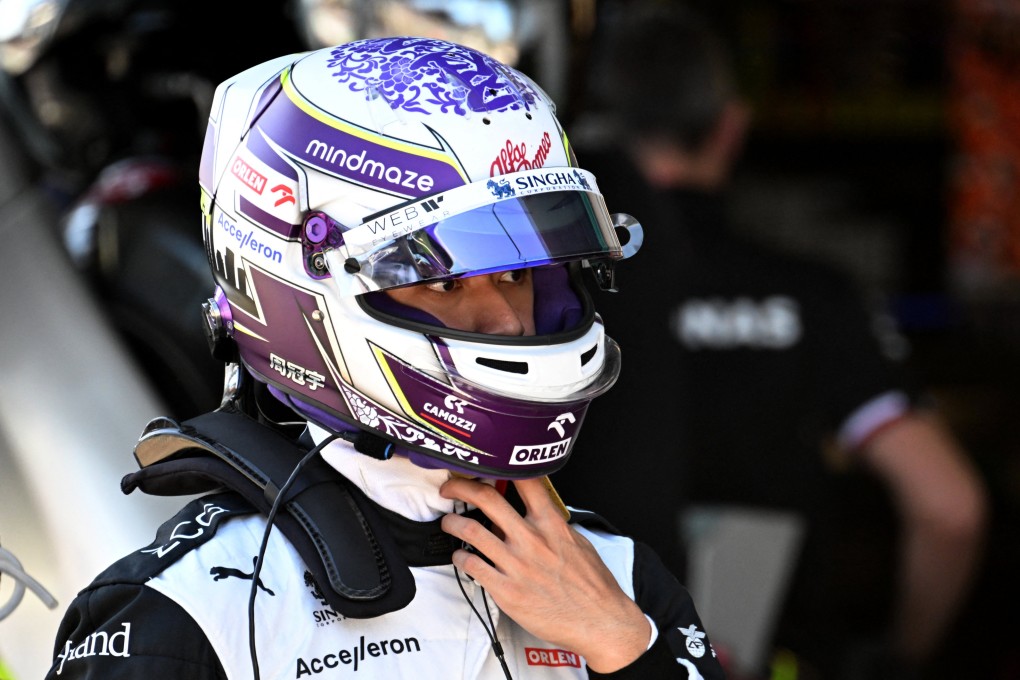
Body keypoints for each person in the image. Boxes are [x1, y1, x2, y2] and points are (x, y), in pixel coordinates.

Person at [44, 36, 726, 679]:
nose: (510, 321)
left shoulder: (616, 584)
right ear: (302, 287)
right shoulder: (187, 611)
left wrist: (624, 647)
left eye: (519, 275)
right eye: (446, 282)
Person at [552, 4, 989, 680]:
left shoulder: (549, 293)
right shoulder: (812, 297)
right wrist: (900, 661)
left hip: (579, 651)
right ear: (730, 128)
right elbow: (949, 507)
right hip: (772, 656)